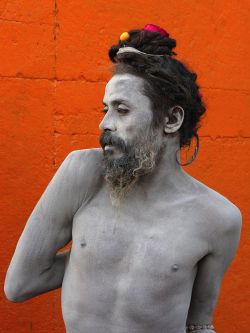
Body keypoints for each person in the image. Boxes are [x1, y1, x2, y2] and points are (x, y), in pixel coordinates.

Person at [4, 24, 242, 333]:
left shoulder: (219, 218)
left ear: (171, 119)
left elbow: (198, 325)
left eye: (122, 110)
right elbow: (20, 284)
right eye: (105, 109)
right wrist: (94, 259)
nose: (105, 123)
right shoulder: (83, 172)